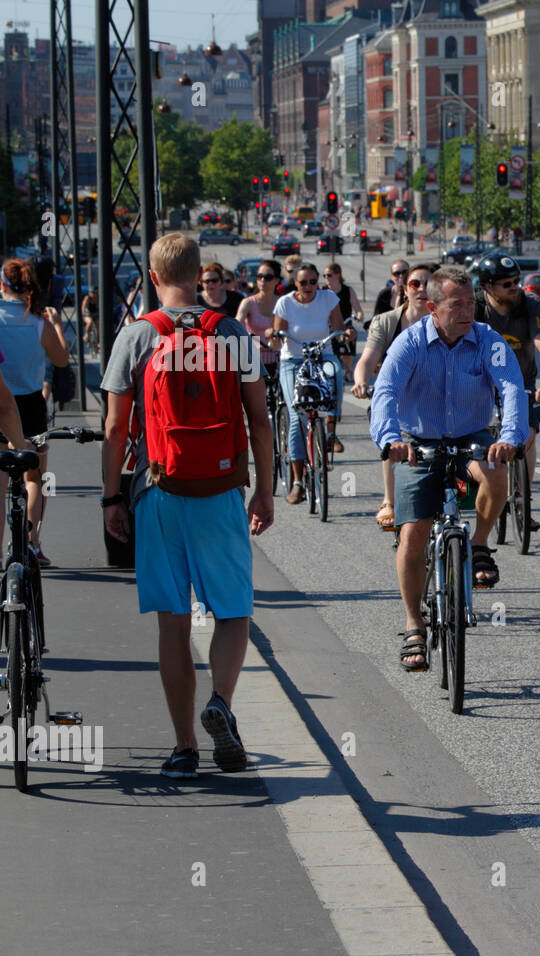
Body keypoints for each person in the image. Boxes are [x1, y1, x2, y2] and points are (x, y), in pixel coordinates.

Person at [100, 232, 274, 780]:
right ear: (202, 276)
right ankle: (221, 701)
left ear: (153, 278)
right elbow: (260, 419)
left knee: (172, 623)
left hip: (159, 491)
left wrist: (111, 499)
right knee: (233, 611)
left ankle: (182, 750)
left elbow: (113, 428)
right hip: (219, 492)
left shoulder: (136, 336)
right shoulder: (232, 334)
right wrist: (264, 489)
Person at [368, 266, 527, 671]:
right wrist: (390, 440)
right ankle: (413, 624)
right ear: (432, 307)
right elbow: (385, 390)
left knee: (495, 473)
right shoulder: (409, 343)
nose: (466, 312)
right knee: (413, 533)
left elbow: (510, 387)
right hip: (418, 442)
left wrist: (509, 436)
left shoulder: (487, 341)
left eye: (471, 303)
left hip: (472, 435)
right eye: (457, 305)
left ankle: (478, 545)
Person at [473, 252, 540, 529]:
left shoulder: (530, 305)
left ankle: (523, 499)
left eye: (516, 281)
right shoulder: (475, 308)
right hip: (482, 382)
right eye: (506, 284)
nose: (514, 287)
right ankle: (488, 490)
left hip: (522, 382)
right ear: (488, 287)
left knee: (526, 435)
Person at [352, 261, 435, 531]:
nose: (422, 289)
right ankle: (389, 499)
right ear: (404, 288)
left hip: (435, 396)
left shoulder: (447, 319)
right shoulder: (387, 321)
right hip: (398, 394)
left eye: (428, 284)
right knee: (392, 434)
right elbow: (367, 358)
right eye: (415, 284)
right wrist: (362, 381)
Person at [0, 258, 71, 565]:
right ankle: (32, 542)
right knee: (34, 478)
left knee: (0, 481)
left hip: (2, 400)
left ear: (3, 285)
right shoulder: (38, 322)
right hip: (30, 403)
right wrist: (55, 324)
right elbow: (61, 360)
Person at [271, 263, 354, 502]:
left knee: (336, 371)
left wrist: (346, 333)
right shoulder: (285, 303)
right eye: (302, 282)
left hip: (322, 356)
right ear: (295, 284)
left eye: (312, 282)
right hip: (293, 361)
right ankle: (297, 481)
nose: (308, 287)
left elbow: (339, 328)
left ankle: (329, 431)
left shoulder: (328, 298)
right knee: (297, 416)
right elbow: (277, 340)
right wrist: (273, 337)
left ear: (318, 281)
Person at [236, 259, 282, 385]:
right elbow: (238, 322)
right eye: (259, 276)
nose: (262, 281)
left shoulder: (282, 303)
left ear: (277, 280)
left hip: (277, 359)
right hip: (253, 359)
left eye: (268, 277)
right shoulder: (249, 303)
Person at [324, 262, 363, 379]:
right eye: (324, 276)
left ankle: (347, 369)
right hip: (328, 325)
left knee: (350, 336)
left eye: (329, 275)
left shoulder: (347, 290)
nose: (326, 278)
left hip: (345, 325)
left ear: (338, 275)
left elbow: (358, 309)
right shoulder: (323, 292)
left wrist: (359, 316)